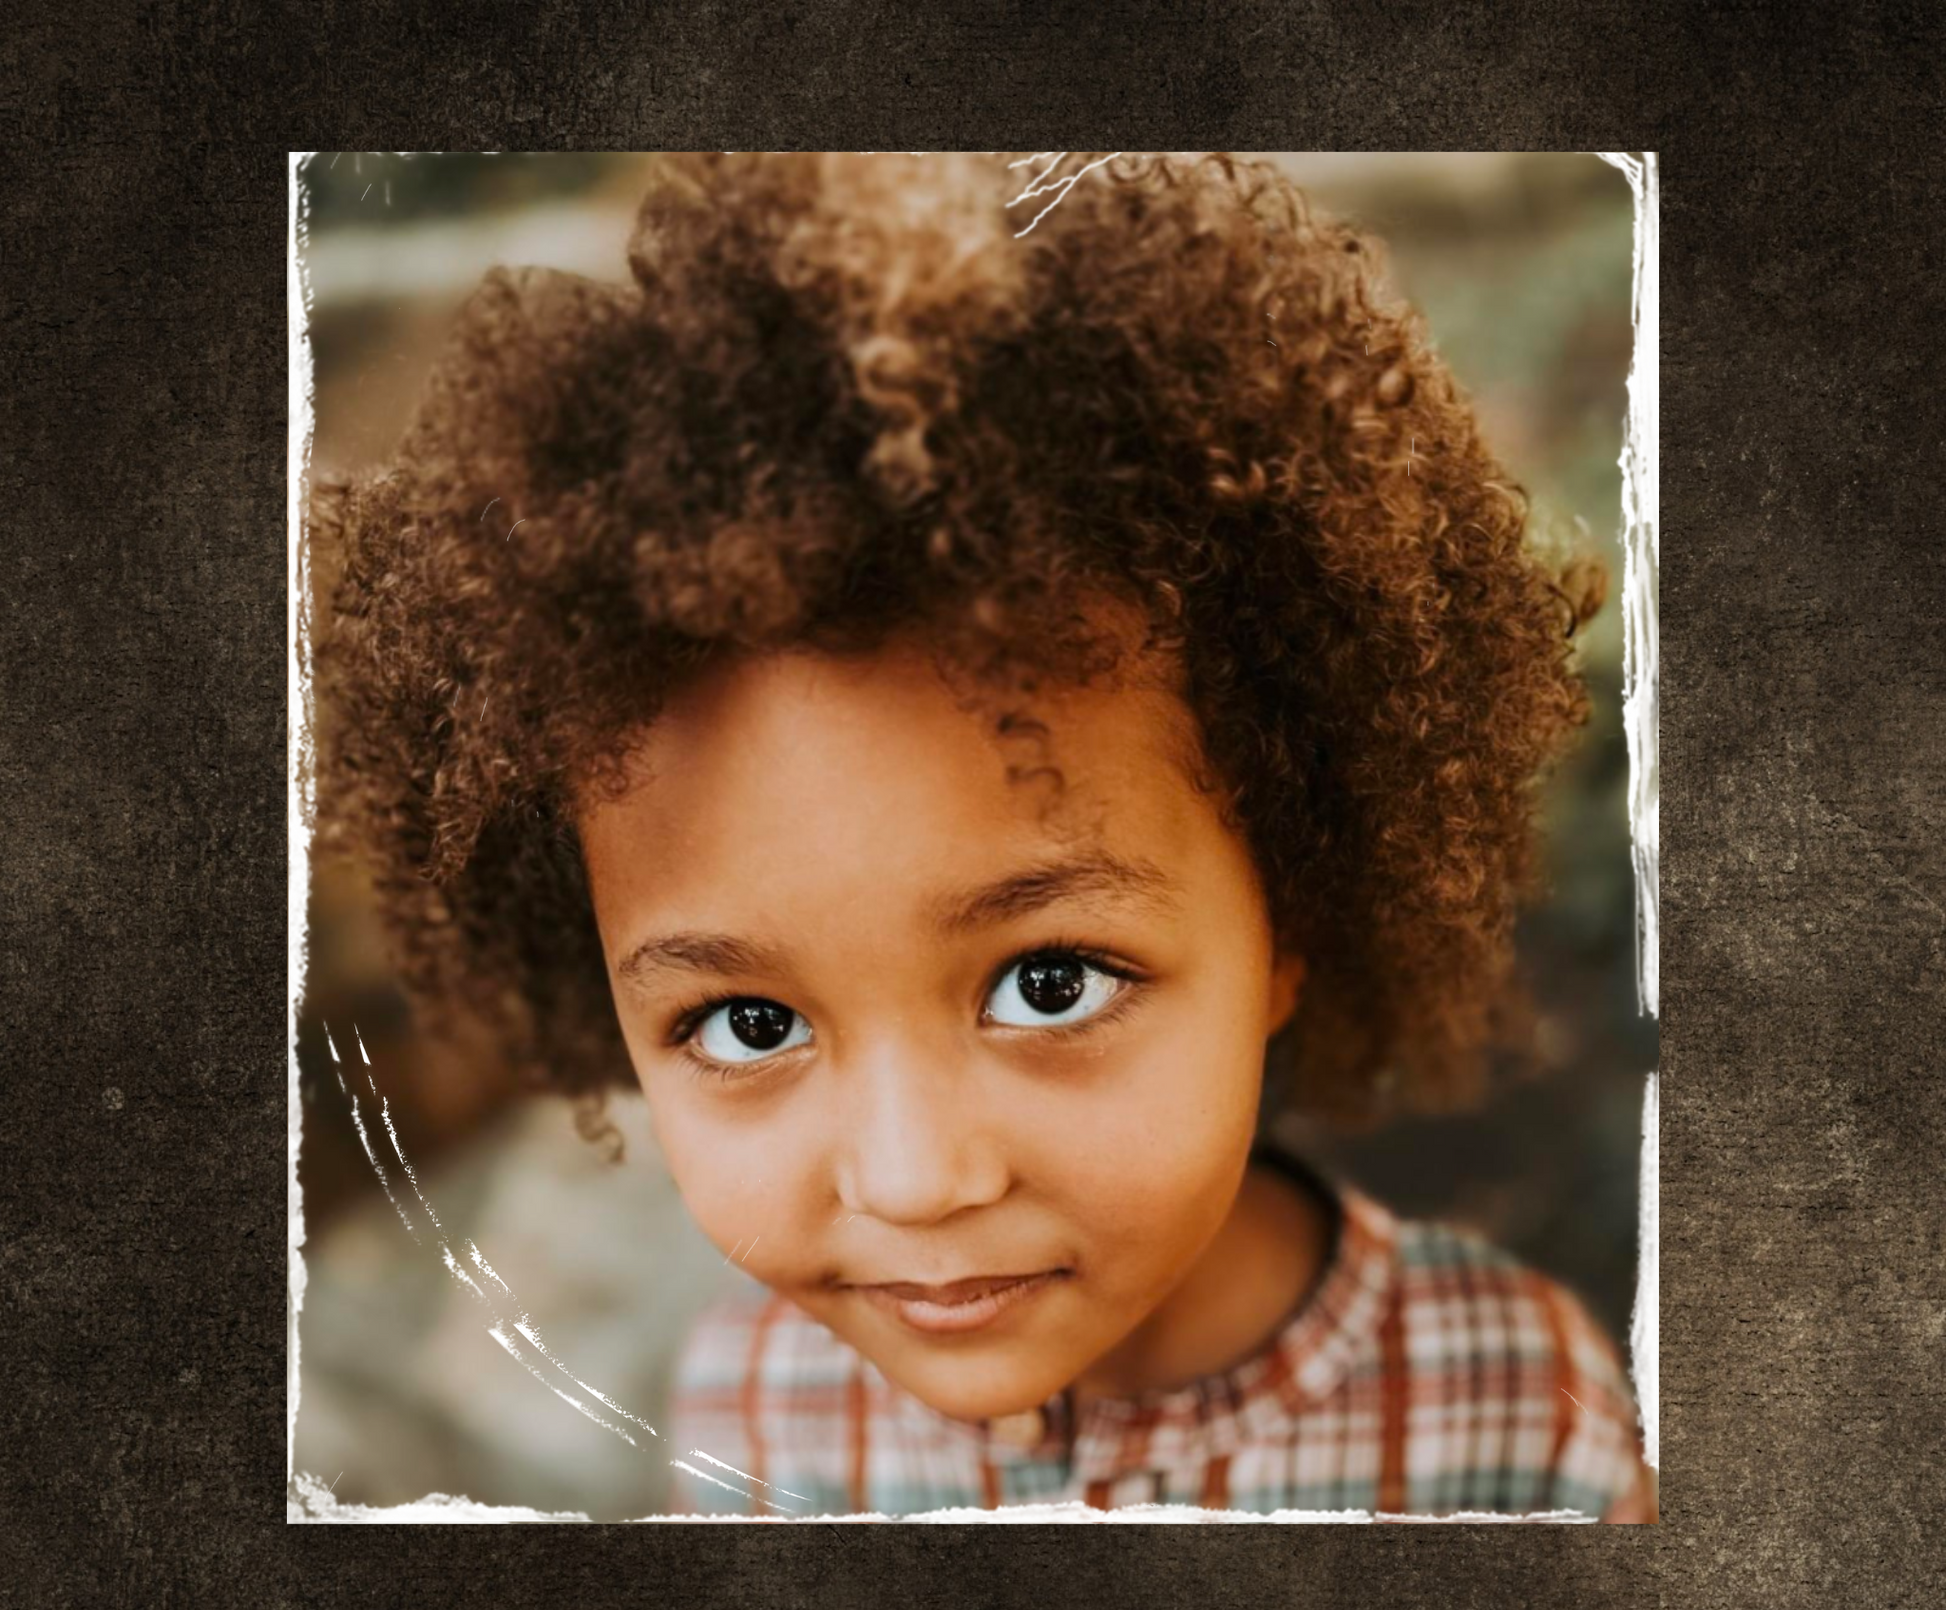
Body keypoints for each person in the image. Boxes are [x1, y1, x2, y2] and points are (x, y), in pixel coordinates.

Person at [315, 151, 1655, 1520]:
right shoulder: (753, 1407)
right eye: (747, 1023)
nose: (913, 1180)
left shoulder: (1516, 1422)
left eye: (1050, 981)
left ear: (1290, 924)